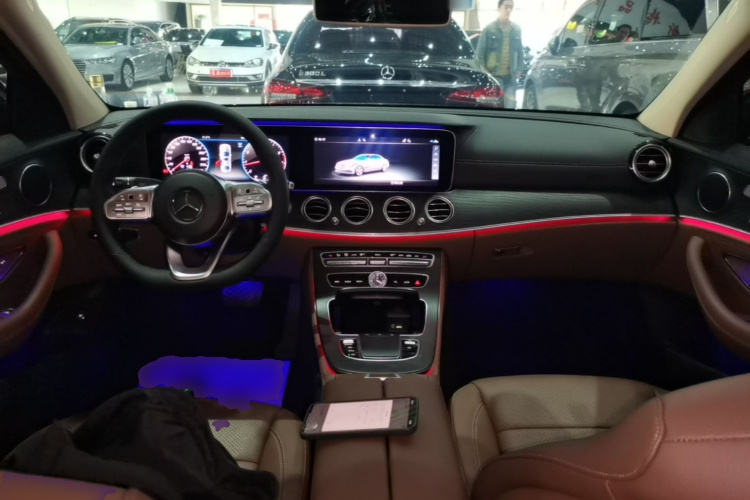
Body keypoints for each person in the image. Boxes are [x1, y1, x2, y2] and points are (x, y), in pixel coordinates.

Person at [476, 0, 524, 108]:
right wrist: (486, 74)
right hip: (494, 77)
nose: (509, 10)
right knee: (494, 108)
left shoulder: (516, 29)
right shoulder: (489, 29)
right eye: (506, 7)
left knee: (510, 107)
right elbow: (479, 55)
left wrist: (520, 68)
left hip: (511, 77)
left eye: (511, 7)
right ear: (499, 8)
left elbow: (520, 51)